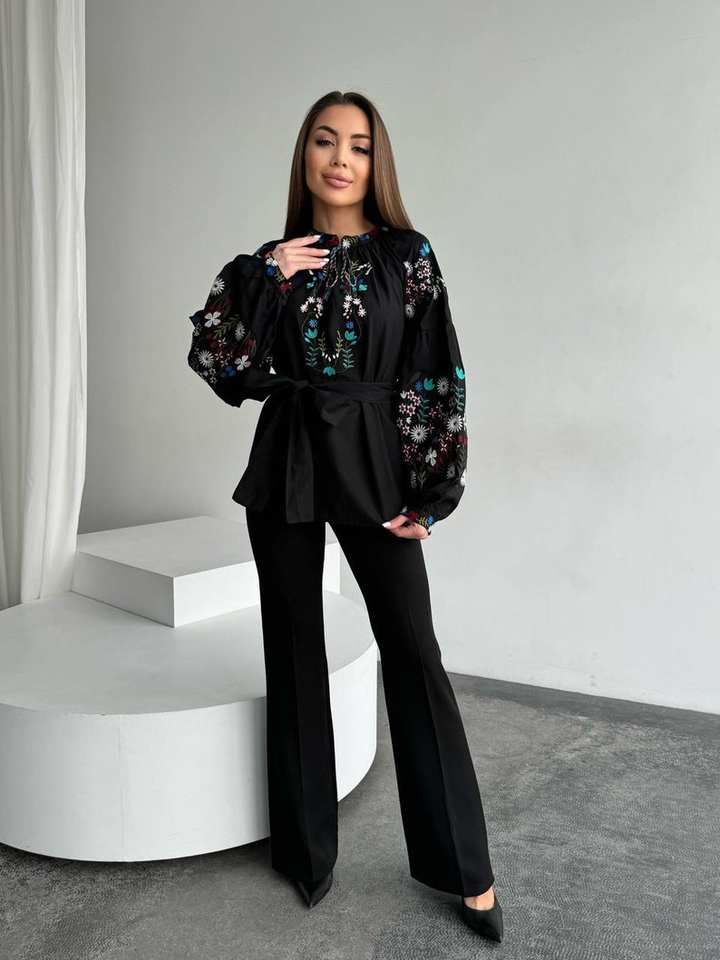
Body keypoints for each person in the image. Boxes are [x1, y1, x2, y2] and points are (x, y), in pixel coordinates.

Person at [186, 90, 503, 942]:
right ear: (305, 155)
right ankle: (305, 852)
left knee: (414, 651)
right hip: (289, 454)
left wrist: (432, 490)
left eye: (359, 146)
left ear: (376, 162)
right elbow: (220, 366)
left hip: (373, 458)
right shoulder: (269, 262)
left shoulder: (408, 256)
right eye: (325, 142)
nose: (340, 159)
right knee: (294, 651)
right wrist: (265, 279)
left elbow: (436, 372)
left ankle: (465, 867)